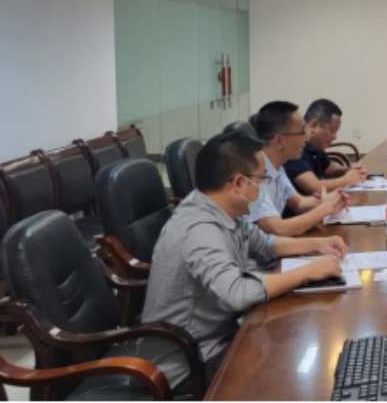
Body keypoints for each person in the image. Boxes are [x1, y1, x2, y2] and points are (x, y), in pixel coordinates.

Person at [141, 130, 348, 393]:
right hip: (192, 359)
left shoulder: (225, 209)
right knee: (292, 374)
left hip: (224, 334)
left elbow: (265, 245)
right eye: (261, 179)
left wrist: (318, 244)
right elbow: (238, 293)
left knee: (295, 342)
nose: (263, 187)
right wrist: (308, 271)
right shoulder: (199, 229)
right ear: (239, 183)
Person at [247, 101, 348, 236]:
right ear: (279, 141)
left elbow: (299, 203)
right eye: (301, 132)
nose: (306, 137)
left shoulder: (278, 167)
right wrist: (325, 208)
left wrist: (328, 200)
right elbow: (279, 229)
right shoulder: (254, 175)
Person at [285, 99, 368, 195]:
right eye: (332, 130)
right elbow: (315, 187)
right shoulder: (294, 150)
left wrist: (349, 170)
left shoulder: (315, 146)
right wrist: (347, 180)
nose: (335, 137)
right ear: (313, 125)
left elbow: (330, 169)